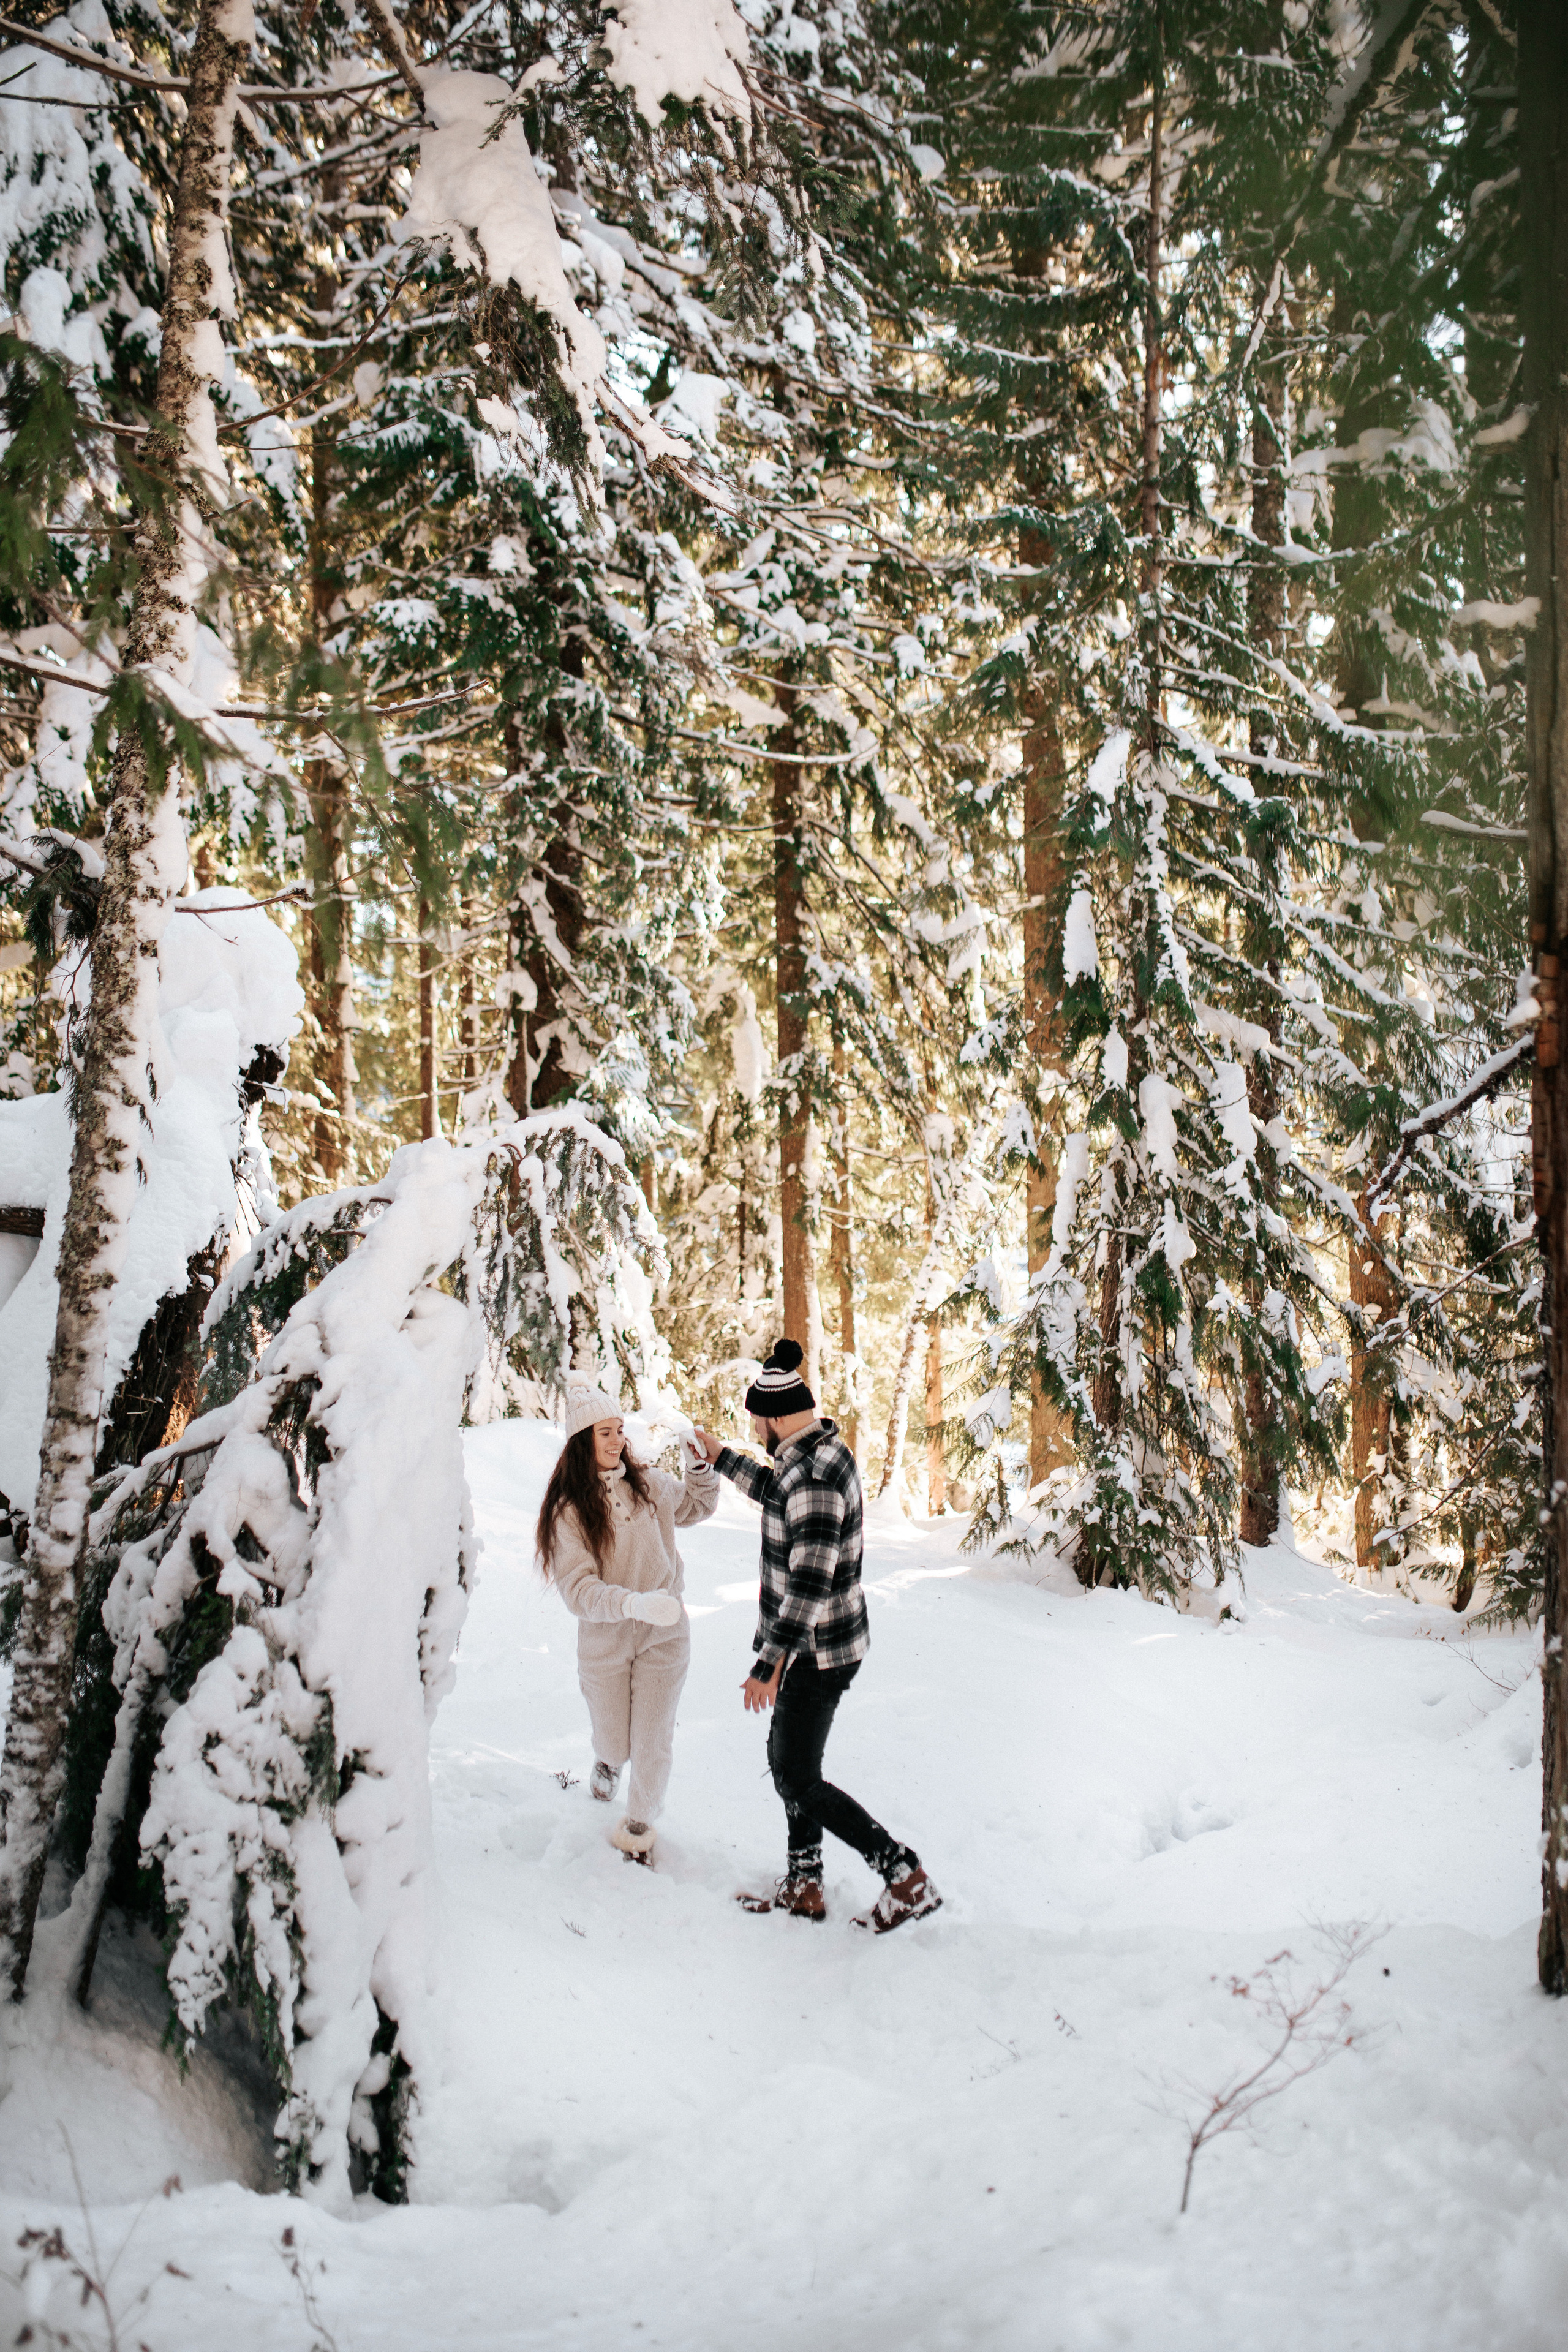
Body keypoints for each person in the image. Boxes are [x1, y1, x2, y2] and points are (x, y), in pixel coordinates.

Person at [694, 1340, 941, 1932]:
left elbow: (808, 1584)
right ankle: (804, 1883)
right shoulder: (814, 1456)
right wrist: (720, 1457)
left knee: (795, 1775)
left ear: (777, 1418)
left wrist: (769, 1663)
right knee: (794, 1764)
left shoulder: (814, 1477)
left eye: (757, 1424)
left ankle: (903, 1873)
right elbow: (774, 1489)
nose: (756, 1432)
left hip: (816, 1650)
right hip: (820, 1643)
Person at [537, 1382, 717, 1864]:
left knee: (653, 1738)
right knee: (616, 1739)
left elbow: (697, 1507)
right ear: (582, 1442)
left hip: (666, 1632)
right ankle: (607, 1759)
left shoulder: (651, 1485)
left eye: (619, 1431)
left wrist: (699, 1469)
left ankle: (639, 1825)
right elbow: (578, 1589)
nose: (617, 1442)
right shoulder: (569, 1510)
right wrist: (632, 1605)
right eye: (604, 1433)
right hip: (606, 1639)